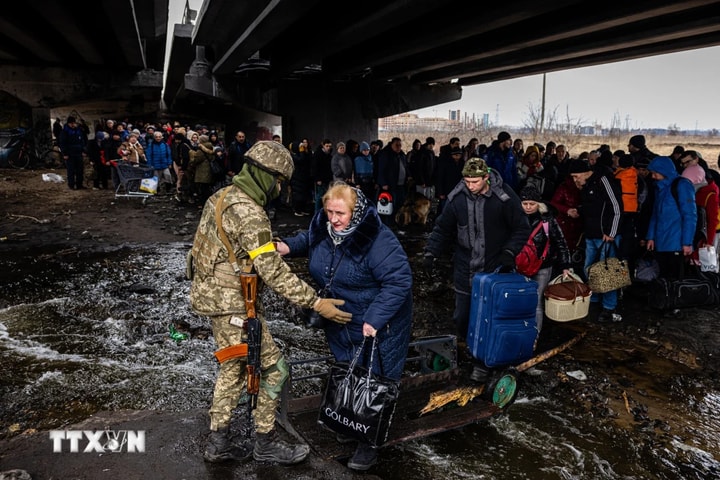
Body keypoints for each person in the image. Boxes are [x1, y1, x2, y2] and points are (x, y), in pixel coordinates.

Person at [188, 141, 352, 466]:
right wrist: (317, 303)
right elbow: (273, 272)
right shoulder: (250, 212)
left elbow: (200, 253)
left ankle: (218, 442)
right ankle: (265, 441)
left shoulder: (220, 197)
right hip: (234, 306)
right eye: (279, 181)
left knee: (233, 369)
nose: (279, 188)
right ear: (267, 176)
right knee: (276, 370)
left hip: (214, 300)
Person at [276, 182, 413, 471]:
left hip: (379, 323)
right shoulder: (324, 226)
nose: (334, 219)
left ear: (357, 211)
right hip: (341, 318)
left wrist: (374, 319)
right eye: (329, 212)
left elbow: (399, 282)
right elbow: (310, 240)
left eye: (340, 213)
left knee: (374, 378)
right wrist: (288, 245)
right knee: (348, 369)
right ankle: (349, 422)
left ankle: (369, 443)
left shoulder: (377, 239)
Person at [422, 158, 530, 381]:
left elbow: (521, 227)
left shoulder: (504, 198)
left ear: (486, 178)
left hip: (494, 269)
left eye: (475, 181)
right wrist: (431, 253)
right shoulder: (456, 199)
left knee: (489, 317)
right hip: (465, 267)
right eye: (467, 181)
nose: (470, 185)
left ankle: (484, 363)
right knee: (462, 316)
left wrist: (509, 252)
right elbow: (442, 228)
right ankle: (469, 350)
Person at [568, 158, 624, 323]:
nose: (575, 179)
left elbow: (616, 207)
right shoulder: (586, 186)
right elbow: (592, 207)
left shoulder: (603, 180)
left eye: (576, 176)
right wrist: (578, 210)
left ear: (586, 172)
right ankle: (593, 299)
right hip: (591, 234)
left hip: (606, 236)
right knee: (589, 269)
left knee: (607, 272)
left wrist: (611, 232)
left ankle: (609, 306)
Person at [518, 185, 572, 335]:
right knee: (519, 299)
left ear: (539, 204)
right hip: (519, 265)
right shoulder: (514, 217)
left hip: (543, 266)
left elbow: (560, 242)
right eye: (525, 204)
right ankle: (519, 332)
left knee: (536, 302)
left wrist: (565, 265)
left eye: (532, 204)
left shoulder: (548, 220)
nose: (528, 207)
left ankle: (534, 335)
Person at [645, 156, 697, 281]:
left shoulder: (682, 185)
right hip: (661, 241)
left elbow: (690, 215)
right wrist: (650, 237)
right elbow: (655, 214)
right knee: (663, 276)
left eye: (655, 173)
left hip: (676, 242)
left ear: (664, 171)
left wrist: (687, 242)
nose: (653, 176)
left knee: (674, 277)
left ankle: (673, 299)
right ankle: (665, 299)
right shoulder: (660, 188)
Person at [58, 116, 88, 190]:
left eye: (74, 123)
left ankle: (79, 185)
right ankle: (71, 185)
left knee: (80, 170)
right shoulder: (64, 132)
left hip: (78, 153)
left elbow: (82, 141)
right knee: (71, 170)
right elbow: (62, 143)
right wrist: (64, 154)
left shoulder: (78, 131)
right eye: (71, 123)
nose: (73, 125)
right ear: (68, 123)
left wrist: (84, 151)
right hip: (70, 154)